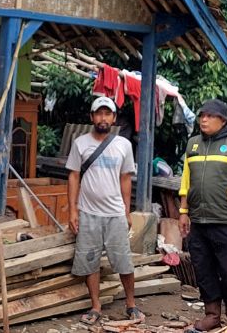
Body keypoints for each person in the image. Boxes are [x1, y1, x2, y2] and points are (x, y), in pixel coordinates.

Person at [179, 99, 227, 330]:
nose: (203, 119)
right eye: (201, 115)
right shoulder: (193, 145)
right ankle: (212, 314)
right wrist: (183, 211)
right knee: (203, 268)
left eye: (209, 116)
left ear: (222, 120)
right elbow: (185, 181)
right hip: (199, 221)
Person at [67, 97, 143, 325]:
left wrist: (127, 211)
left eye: (107, 114)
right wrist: (73, 210)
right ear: (92, 117)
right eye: (98, 114)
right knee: (90, 261)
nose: (103, 118)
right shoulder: (80, 143)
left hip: (115, 214)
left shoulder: (124, 145)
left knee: (123, 261)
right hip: (88, 213)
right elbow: (73, 176)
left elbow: (126, 179)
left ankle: (131, 305)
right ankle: (95, 306)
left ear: (114, 118)